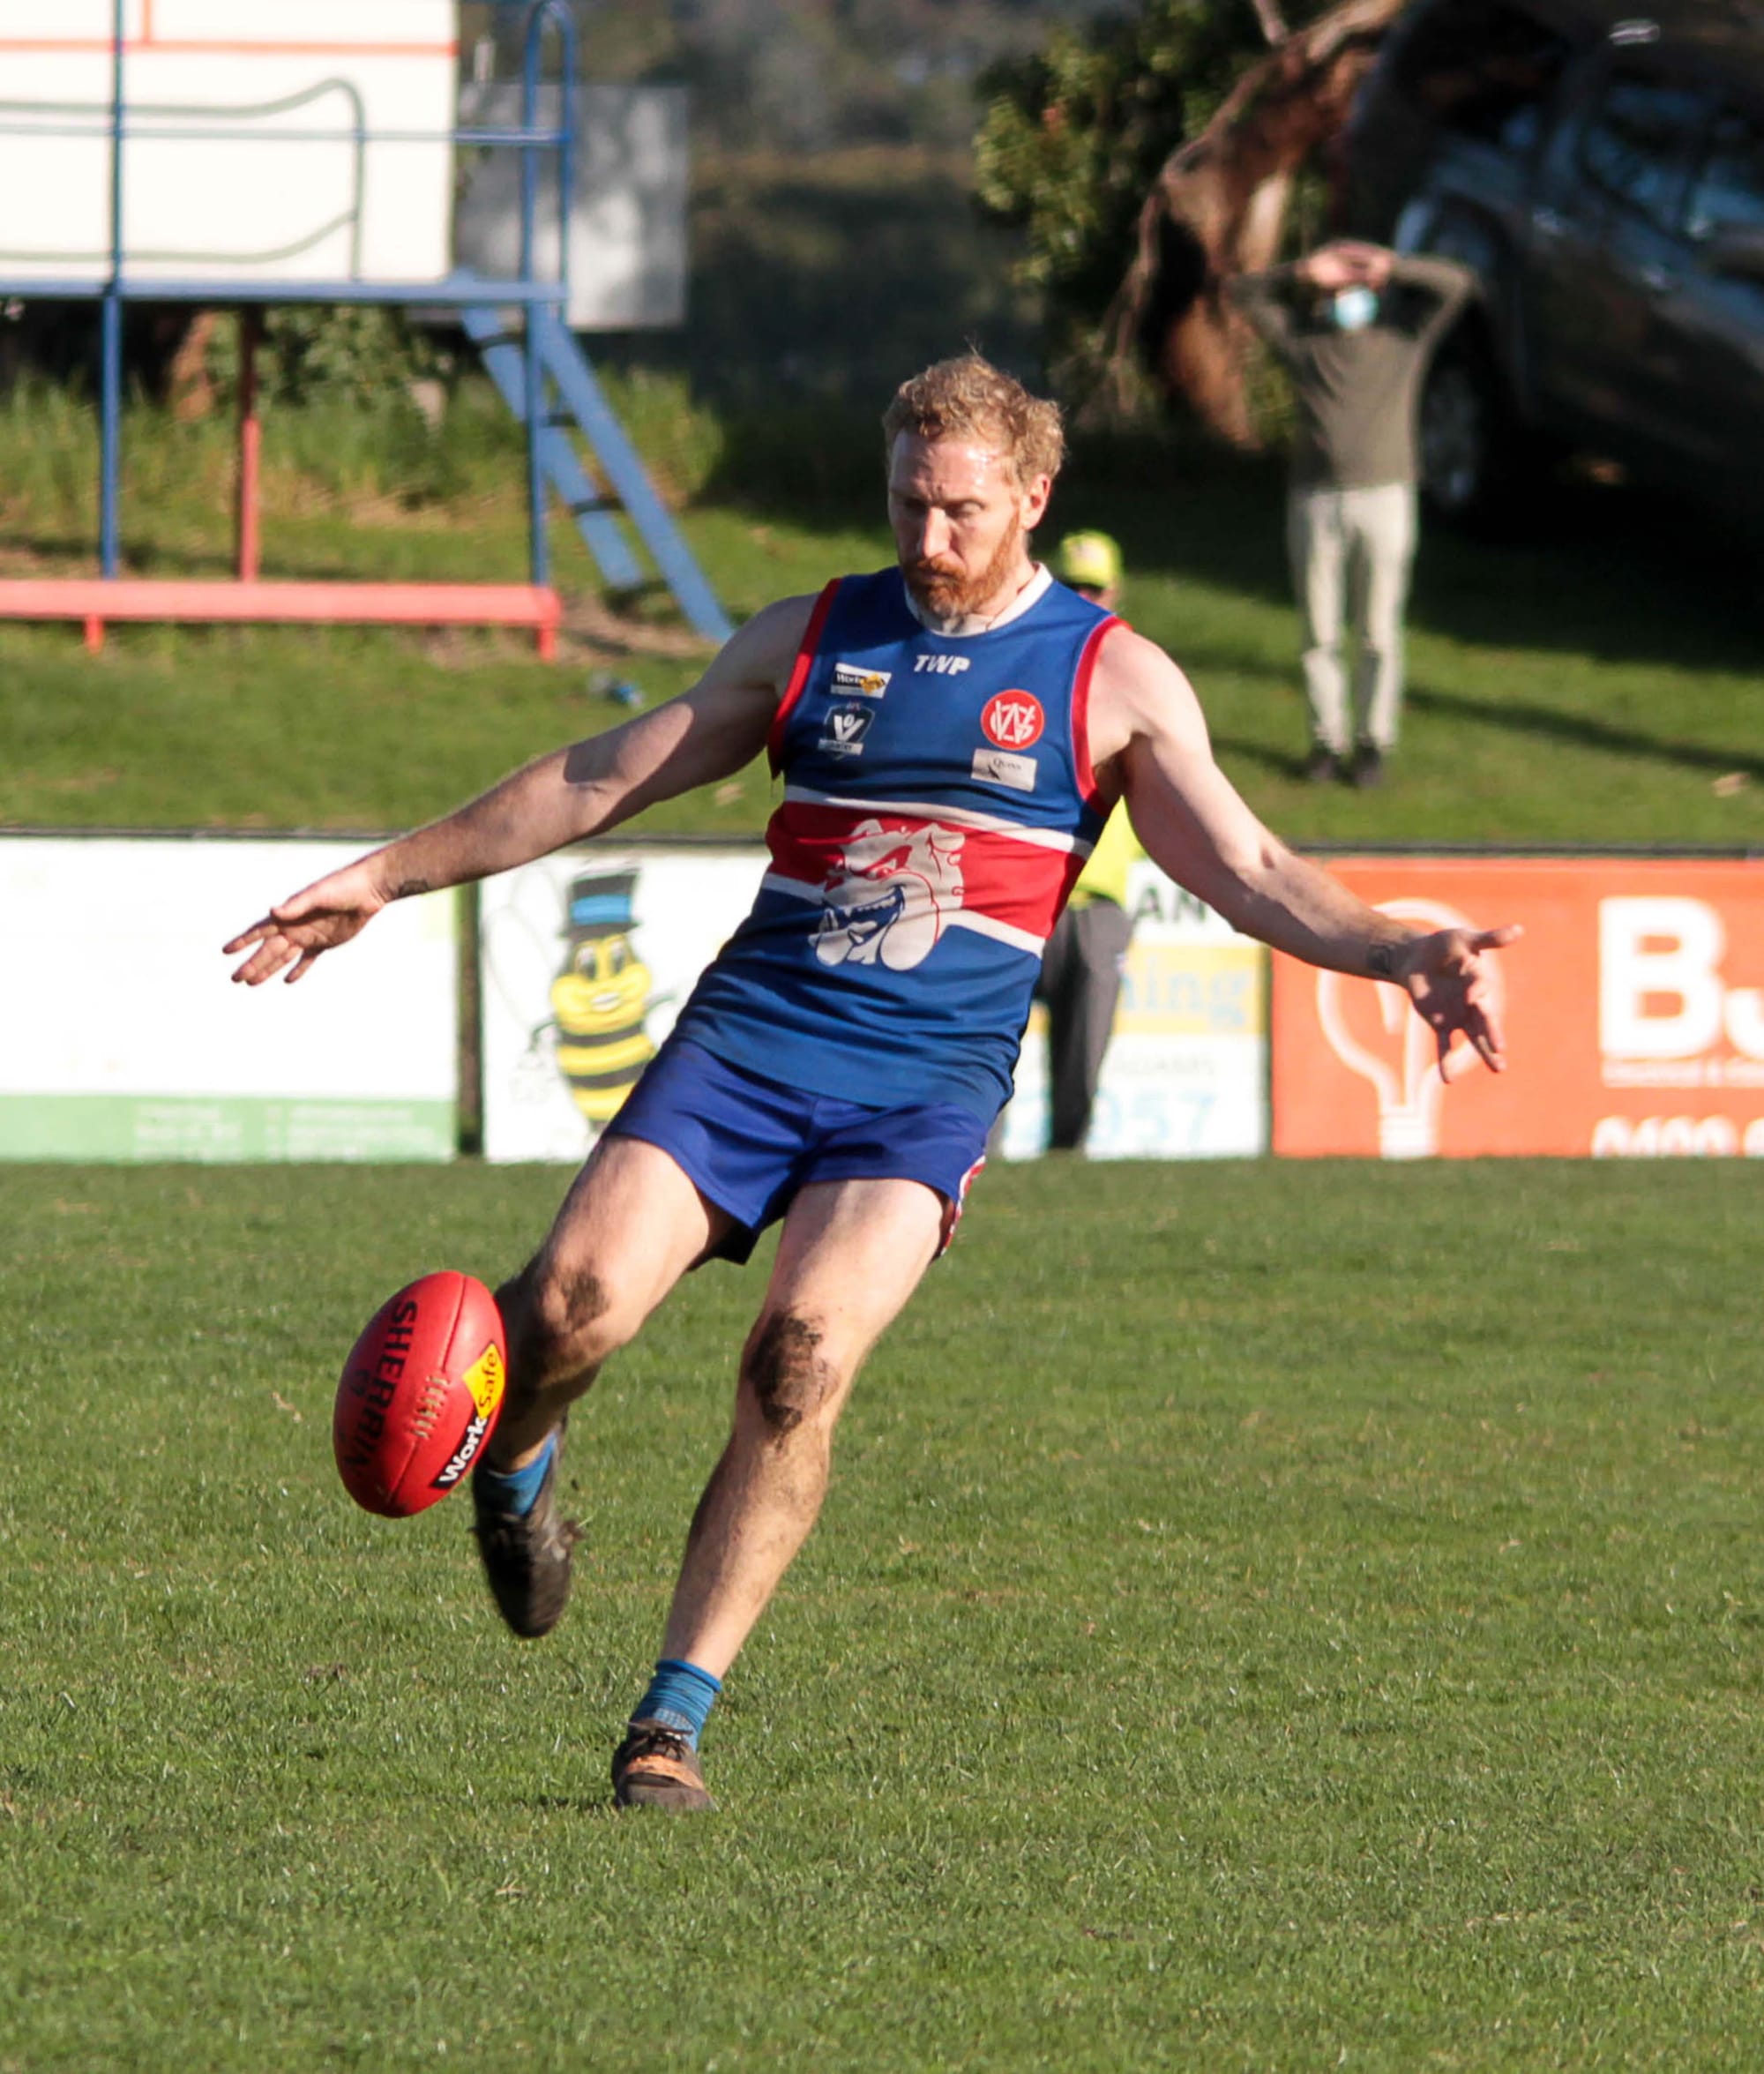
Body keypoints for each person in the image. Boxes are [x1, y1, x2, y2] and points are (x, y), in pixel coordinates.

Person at [225, 354, 1518, 1814]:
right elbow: (597, 775)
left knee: (801, 1359)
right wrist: (385, 876)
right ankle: (519, 1457)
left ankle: (669, 1720)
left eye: (961, 509)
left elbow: (1262, 872)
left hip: (922, 1089)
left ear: (1033, 496)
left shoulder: (1111, 679)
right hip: (750, 1044)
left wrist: (1404, 948)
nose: (929, 538)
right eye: (908, 501)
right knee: (570, 1307)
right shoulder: (813, 638)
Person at [1230, 239, 1475, 787]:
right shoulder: (1305, 342)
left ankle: (1372, 744)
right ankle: (1326, 741)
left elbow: (1459, 284)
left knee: (1378, 632)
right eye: (1340, 287)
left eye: (1357, 285)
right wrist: (1303, 270)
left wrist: (1393, 266)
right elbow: (1242, 292)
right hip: (1314, 501)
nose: (1349, 295)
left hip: (1386, 499)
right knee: (1319, 631)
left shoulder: (1402, 340)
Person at [1027, 530, 1142, 1152]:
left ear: (1114, 589)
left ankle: (1065, 1170)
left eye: (1094, 585)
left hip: (1098, 901)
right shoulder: (1026, 661)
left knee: (1083, 1064)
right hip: (1026, 895)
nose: (1083, 595)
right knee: (979, 1061)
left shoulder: (1136, 676)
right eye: (1072, 584)